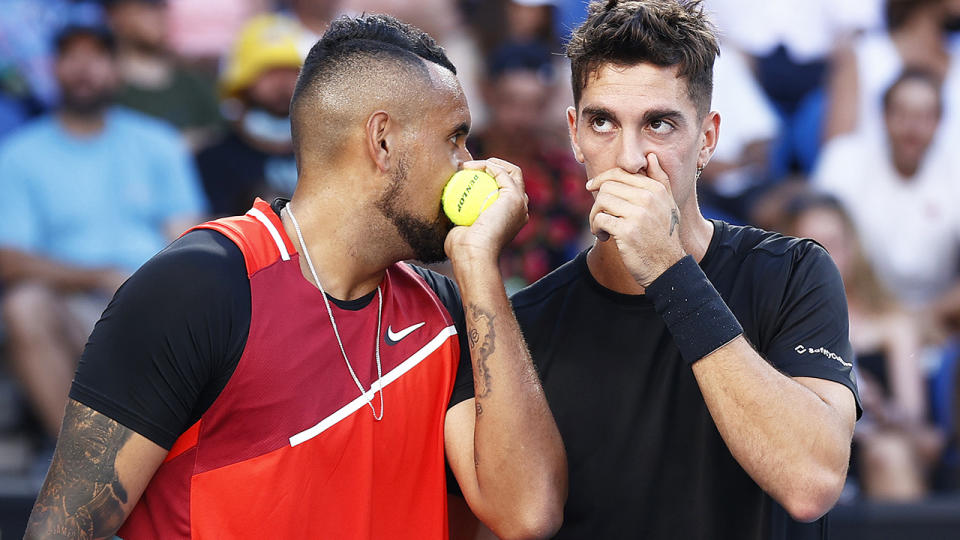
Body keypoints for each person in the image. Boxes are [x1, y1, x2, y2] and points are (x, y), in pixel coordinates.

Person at [24, 14, 566, 539]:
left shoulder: (448, 307)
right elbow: (63, 530)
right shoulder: (200, 286)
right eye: (454, 137)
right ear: (382, 141)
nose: (469, 164)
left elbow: (529, 514)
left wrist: (477, 265)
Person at [508, 1, 860, 538]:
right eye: (603, 122)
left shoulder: (793, 272)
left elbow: (811, 482)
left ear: (709, 138)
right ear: (575, 135)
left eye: (659, 124)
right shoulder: (529, 320)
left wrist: (667, 269)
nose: (629, 158)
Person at [0, 22, 206, 438]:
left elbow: (189, 242)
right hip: (70, 302)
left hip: (151, 296)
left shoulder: (156, 142)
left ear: (116, 69)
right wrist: (97, 276)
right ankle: (76, 462)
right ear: (52, 69)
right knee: (24, 306)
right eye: (71, 57)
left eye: (96, 57)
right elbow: (9, 259)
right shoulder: (20, 154)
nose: (83, 69)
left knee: (189, 301)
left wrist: (140, 289)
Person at [785, 194, 943, 501]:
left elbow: (912, 416)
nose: (825, 258)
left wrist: (878, 406)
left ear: (852, 248)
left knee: (890, 454)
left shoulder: (891, 324)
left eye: (833, 243)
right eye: (811, 246)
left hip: (876, 444)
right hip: (807, 446)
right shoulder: (777, 325)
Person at [815, 69, 960, 314]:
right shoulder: (845, 158)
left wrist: (931, 318)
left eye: (925, 116)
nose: (912, 127)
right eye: (902, 113)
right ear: (883, 116)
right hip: (853, 311)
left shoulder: (955, 168)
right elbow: (815, 245)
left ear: (940, 122)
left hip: (937, 319)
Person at [468, 42, 590, 290]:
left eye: (535, 105)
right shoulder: (461, 159)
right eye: (510, 102)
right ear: (487, 93)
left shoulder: (566, 174)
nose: (522, 118)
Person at [195, 14, 303, 217]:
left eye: (291, 72)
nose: (282, 83)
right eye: (268, 72)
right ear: (241, 83)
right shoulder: (214, 159)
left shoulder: (323, 152)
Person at [105, 0, 222, 149]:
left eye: (163, 5)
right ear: (115, 15)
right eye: (148, 5)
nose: (160, 13)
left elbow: (222, 141)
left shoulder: (196, 82)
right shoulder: (98, 89)